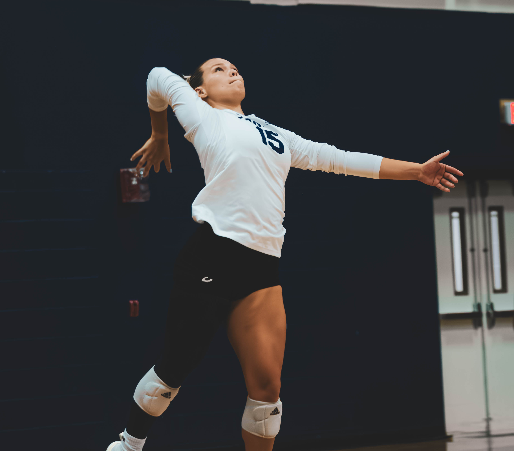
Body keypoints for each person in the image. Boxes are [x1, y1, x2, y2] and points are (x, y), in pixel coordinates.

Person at [107, 58, 463, 451]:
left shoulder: (274, 133)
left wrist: (417, 171)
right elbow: (157, 77)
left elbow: (340, 159)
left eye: (234, 67)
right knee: (174, 370)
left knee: (267, 394)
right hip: (213, 255)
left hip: (261, 267)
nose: (232, 71)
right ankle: (128, 445)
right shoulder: (201, 114)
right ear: (201, 89)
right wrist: (160, 134)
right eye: (219, 69)